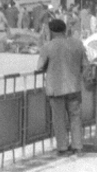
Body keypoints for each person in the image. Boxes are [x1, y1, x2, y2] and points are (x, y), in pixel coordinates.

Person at [36, 18, 89, 156]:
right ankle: (78, 146)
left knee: (59, 119)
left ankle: (63, 148)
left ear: (51, 31)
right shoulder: (77, 44)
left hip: (56, 89)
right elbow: (85, 65)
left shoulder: (47, 47)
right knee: (75, 117)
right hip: (74, 87)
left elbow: (39, 67)